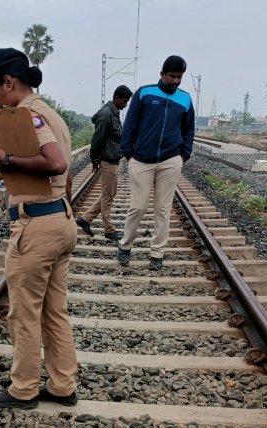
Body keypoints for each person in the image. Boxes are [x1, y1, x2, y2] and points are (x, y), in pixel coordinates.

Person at [0, 47, 77, 410]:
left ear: (8, 82)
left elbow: (55, 163)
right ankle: (63, 384)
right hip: (60, 221)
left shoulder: (27, 115)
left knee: (23, 312)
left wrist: (7, 159)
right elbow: (65, 176)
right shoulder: (51, 112)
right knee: (55, 311)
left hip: (36, 226)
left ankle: (23, 388)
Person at [117, 55, 195, 271]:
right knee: (138, 207)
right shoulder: (145, 93)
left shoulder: (185, 99)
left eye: (179, 77)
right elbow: (130, 125)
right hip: (141, 160)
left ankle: (157, 252)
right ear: (162, 74)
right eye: (172, 76)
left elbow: (189, 130)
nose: (176, 81)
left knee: (163, 209)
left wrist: (183, 155)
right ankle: (125, 246)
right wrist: (128, 154)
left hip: (170, 160)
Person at [76, 85, 133, 241]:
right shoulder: (107, 114)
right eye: (124, 101)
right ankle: (109, 229)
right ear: (116, 98)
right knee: (108, 196)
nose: (125, 104)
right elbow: (97, 141)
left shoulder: (114, 113)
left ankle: (85, 219)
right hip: (107, 160)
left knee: (111, 193)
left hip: (113, 159)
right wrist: (94, 161)